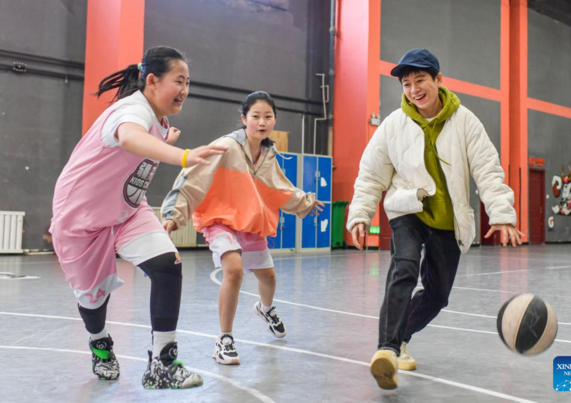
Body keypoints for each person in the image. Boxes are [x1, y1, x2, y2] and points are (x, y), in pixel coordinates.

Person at [50, 46, 227, 389]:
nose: (185, 90)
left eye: (188, 82)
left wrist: (168, 138)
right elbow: (130, 138)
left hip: (127, 210)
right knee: (93, 299)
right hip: (81, 216)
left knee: (167, 265)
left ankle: (162, 363)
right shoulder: (131, 109)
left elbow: (144, 142)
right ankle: (100, 344)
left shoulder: (160, 122)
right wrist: (184, 155)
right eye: (179, 81)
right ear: (151, 80)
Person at [346, 48, 523, 390]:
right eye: (407, 83)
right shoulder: (392, 126)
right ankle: (387, 349)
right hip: (407, 210)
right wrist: (360, 213)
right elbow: (370, 174)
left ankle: (402, 335)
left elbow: (488, 168)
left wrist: (501, 212)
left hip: (448, 221)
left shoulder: (466, 121)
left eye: (420, 80)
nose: (413, 89)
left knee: (438, 295)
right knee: (405, 267)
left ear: (439, 81)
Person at [161, 91, 323, 365]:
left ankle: (265, 309)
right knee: (234, 271)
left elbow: (279, 188)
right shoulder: (226, 146)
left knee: (269, 278)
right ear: (243, 119)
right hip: (220, 219)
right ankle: (224, 340)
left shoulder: (268, 154)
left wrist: (303, 203)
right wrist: (174, 214)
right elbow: (193, 176)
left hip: (248, 224)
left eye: (268, 117)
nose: (262, 122)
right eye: (255, 116)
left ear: (274, 121)